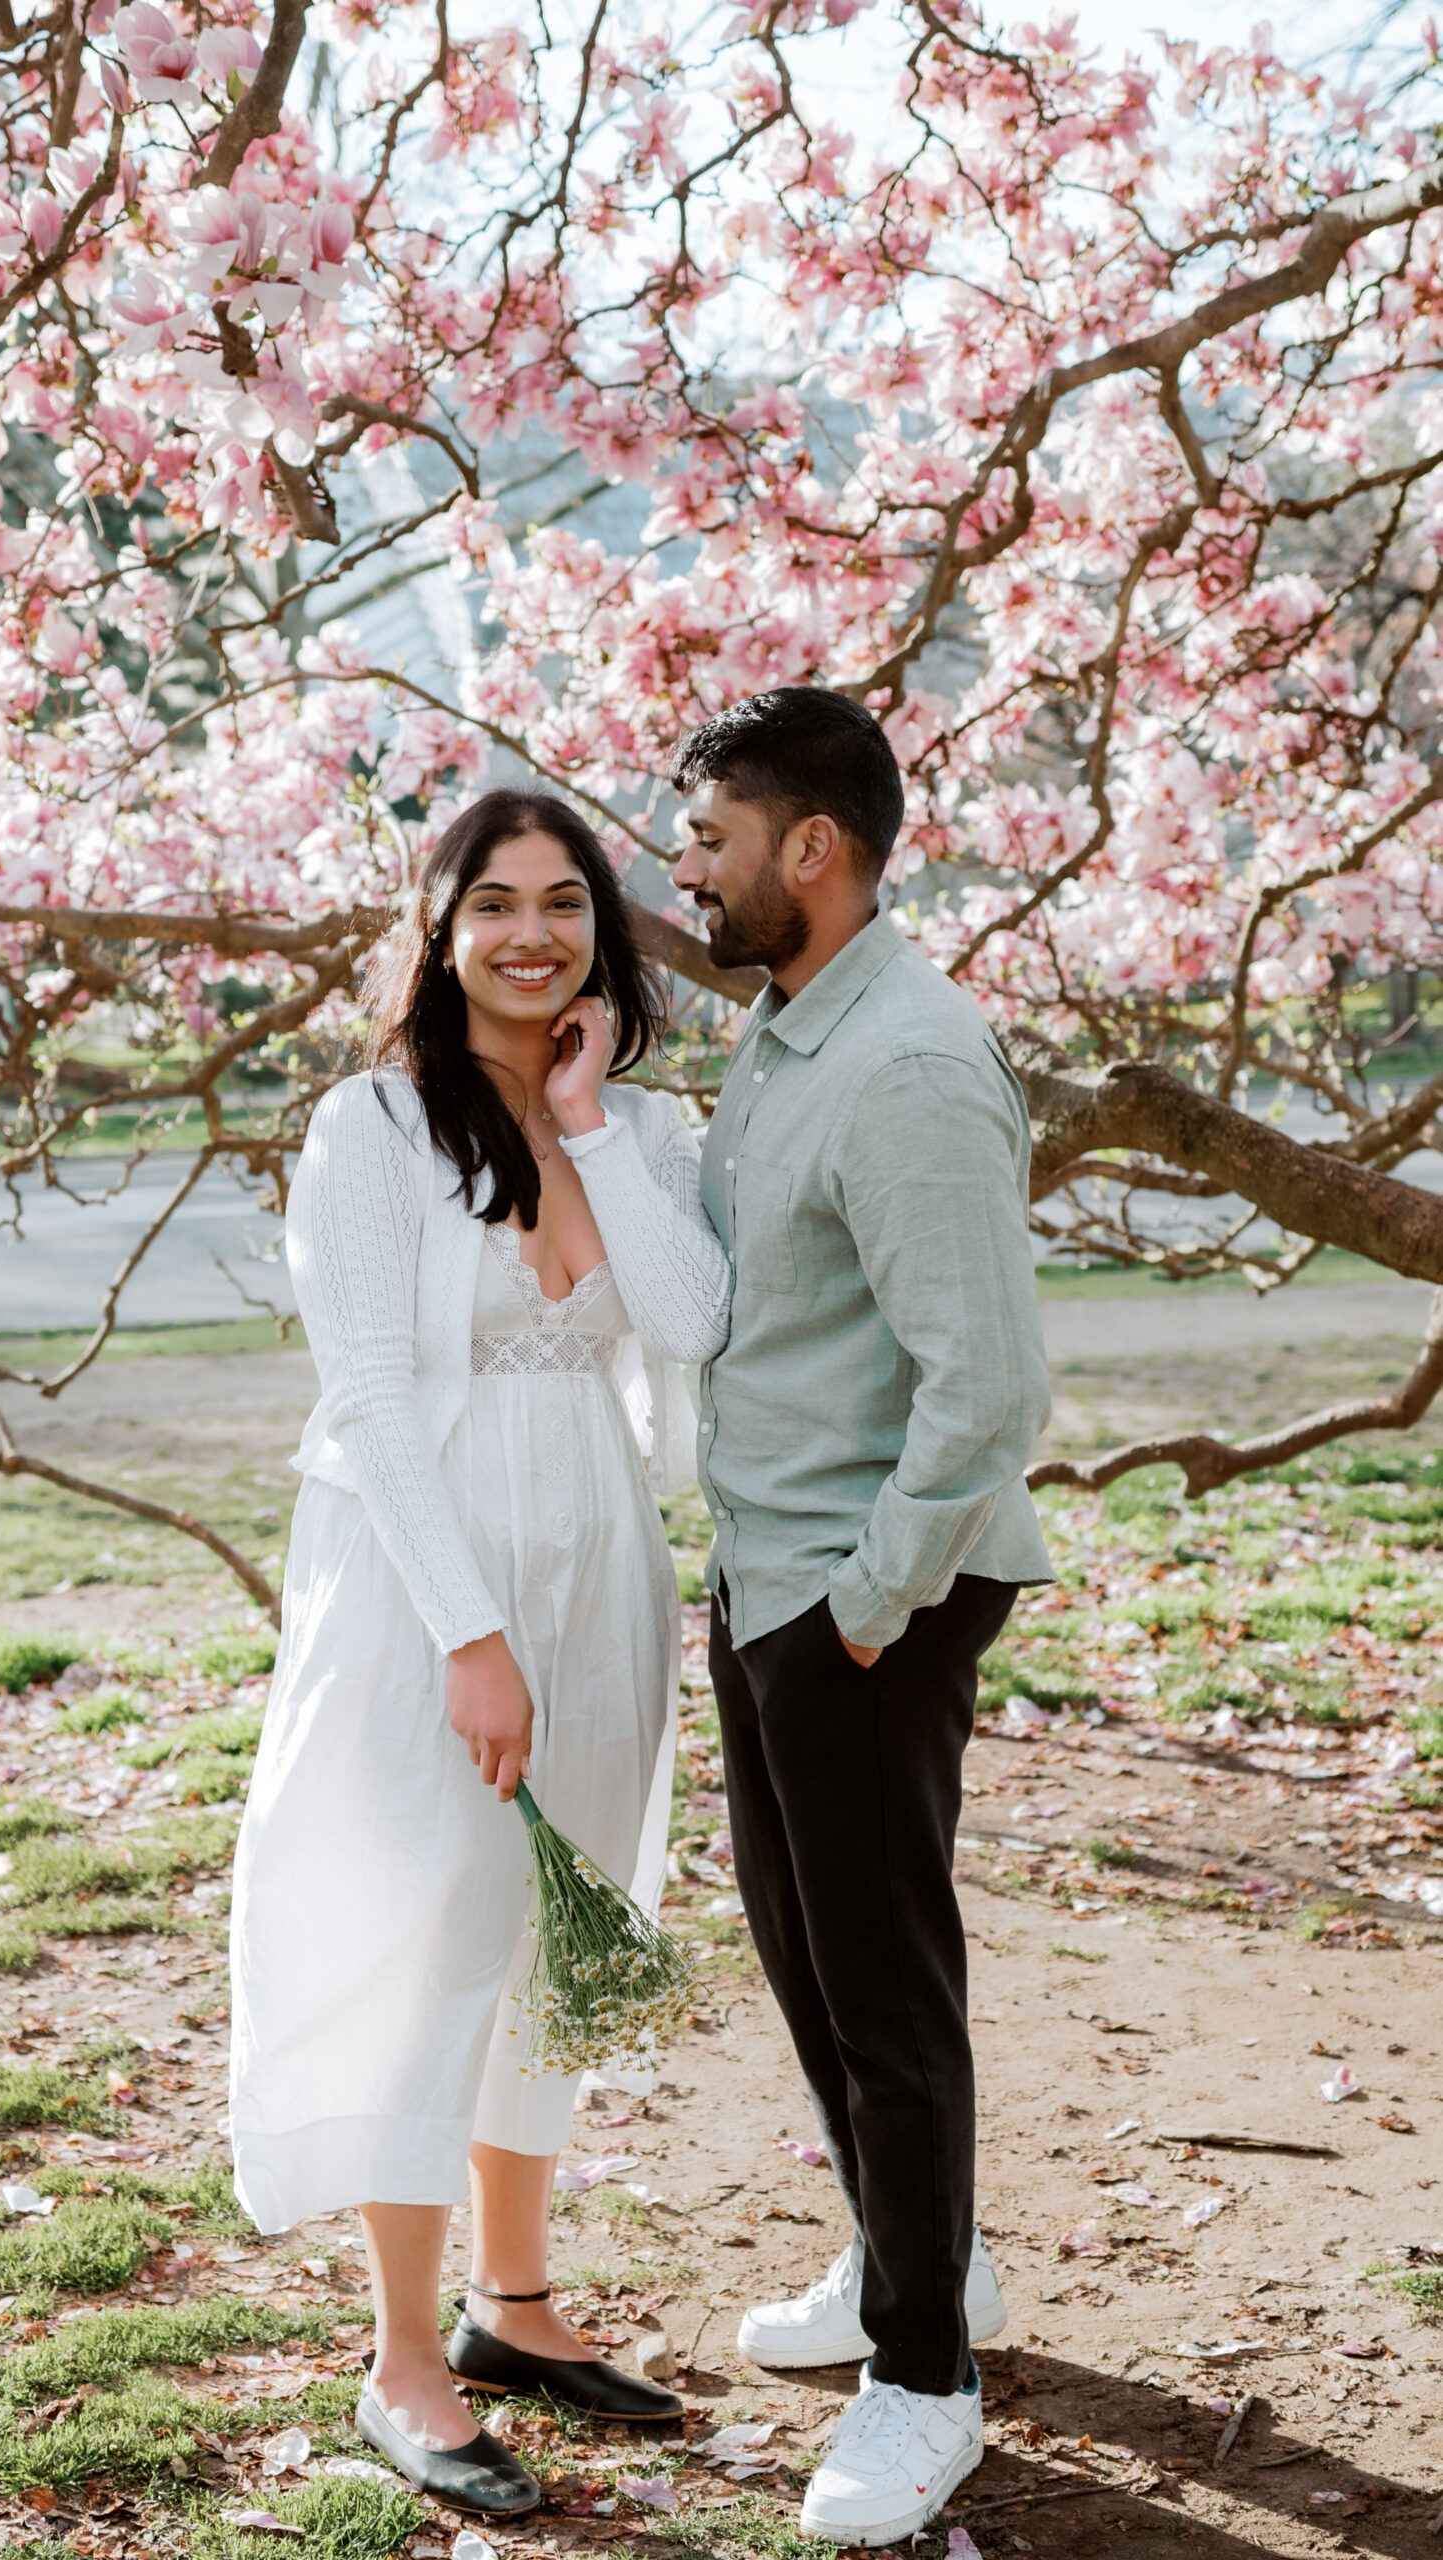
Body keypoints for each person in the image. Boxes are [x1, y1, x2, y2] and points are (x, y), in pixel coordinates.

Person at [228, 789, 730, 2520]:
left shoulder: (645, 1132)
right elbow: (367, 1395)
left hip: (600, 1549)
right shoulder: (373, 1126)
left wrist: (585, 1124)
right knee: (434, 1923)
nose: (533, 933)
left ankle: (517, 2308)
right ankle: (406, 2357)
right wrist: (469, 1636)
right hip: (424, 1569)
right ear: (438, 932)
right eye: (494, 903)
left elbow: (687, 1324)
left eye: (565, 902)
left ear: (604, 927)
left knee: (558, 1927)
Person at [670, 689, 1055, 2547]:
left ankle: (922, 2380)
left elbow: (984, 1385)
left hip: (863, 1591)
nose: (688, 866)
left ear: (811, 850)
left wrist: (873, 1603)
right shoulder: (783, 1033)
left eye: (714, 836)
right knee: (811, 1966)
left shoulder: (903, 1061)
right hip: (776, 1573)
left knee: (883, 1989)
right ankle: (925, 2257)